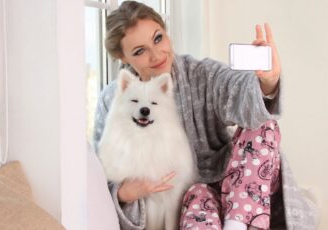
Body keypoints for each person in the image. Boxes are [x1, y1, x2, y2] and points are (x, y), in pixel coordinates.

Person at [93, 1, 316, 230]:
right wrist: (124, 192)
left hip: (238, 182)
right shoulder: (112, 101)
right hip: (191, 200)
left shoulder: (201, 73)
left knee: (262, 123)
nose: (156, 54)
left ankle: (237, 224)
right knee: (198, 202)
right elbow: (103, 175)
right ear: (122, 57)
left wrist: (267, 82)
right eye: (139, 51)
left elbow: (236, 88)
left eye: (158, 38)